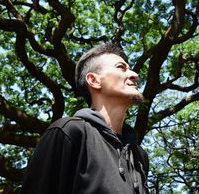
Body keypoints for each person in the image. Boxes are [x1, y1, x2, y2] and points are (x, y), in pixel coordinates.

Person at [21, 42, 149, 194]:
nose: (135, 75)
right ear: (94, 80)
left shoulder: (139, 156)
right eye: (121, 67)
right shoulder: (68, 132)